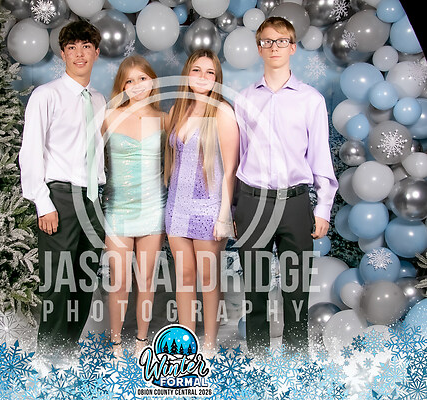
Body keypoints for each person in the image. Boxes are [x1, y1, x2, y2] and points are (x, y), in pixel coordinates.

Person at [233, 17, 338, 354]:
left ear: (292, 47)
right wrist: (235, 208)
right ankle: (258, 358)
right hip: (253, 203)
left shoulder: (311, 100)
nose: (274, 47)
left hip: (294, 203)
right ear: (258, 48)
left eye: (281, 41)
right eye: (267, 41)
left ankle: (296, 358)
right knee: (255, 288)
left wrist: (323, 208)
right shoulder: (244, 100)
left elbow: (320, 156)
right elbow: (237, 158)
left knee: (296, 288)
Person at [19, 20, 105, 351]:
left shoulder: (98, 99)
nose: (79, 54)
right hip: (60, 197)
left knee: (84, 281)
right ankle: (48, 357)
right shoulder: (46, 95)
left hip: (92, 200)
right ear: (63, 54)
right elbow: (30, 152)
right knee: (57, 283)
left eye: (86, 47)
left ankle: (67, 352)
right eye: (72, 48)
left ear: (96, 53)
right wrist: (43, 203)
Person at [164, 49, 239, 353]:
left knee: (208, 279)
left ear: (217, 78)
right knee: (184, 277)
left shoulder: (222, 112)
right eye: (197, 70)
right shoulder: (178, 110)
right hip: (176, 208)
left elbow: (231, 169)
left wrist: (224, 216)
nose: (203, 77)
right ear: (187, 73)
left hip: (209, 210)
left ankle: (209, 344)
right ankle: (186, 342)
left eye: (210, 72)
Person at [102, 55, 167, 356]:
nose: (137, 85)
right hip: (118, 209)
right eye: (130, 81)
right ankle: (116, 343)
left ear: (152, 81)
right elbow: (87, 156)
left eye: (143, 78)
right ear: (122, 86)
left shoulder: (164, 118)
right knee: (119, 281)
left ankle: (142, 341)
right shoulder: (108, 117)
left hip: (153, 209)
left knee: (146, 280)